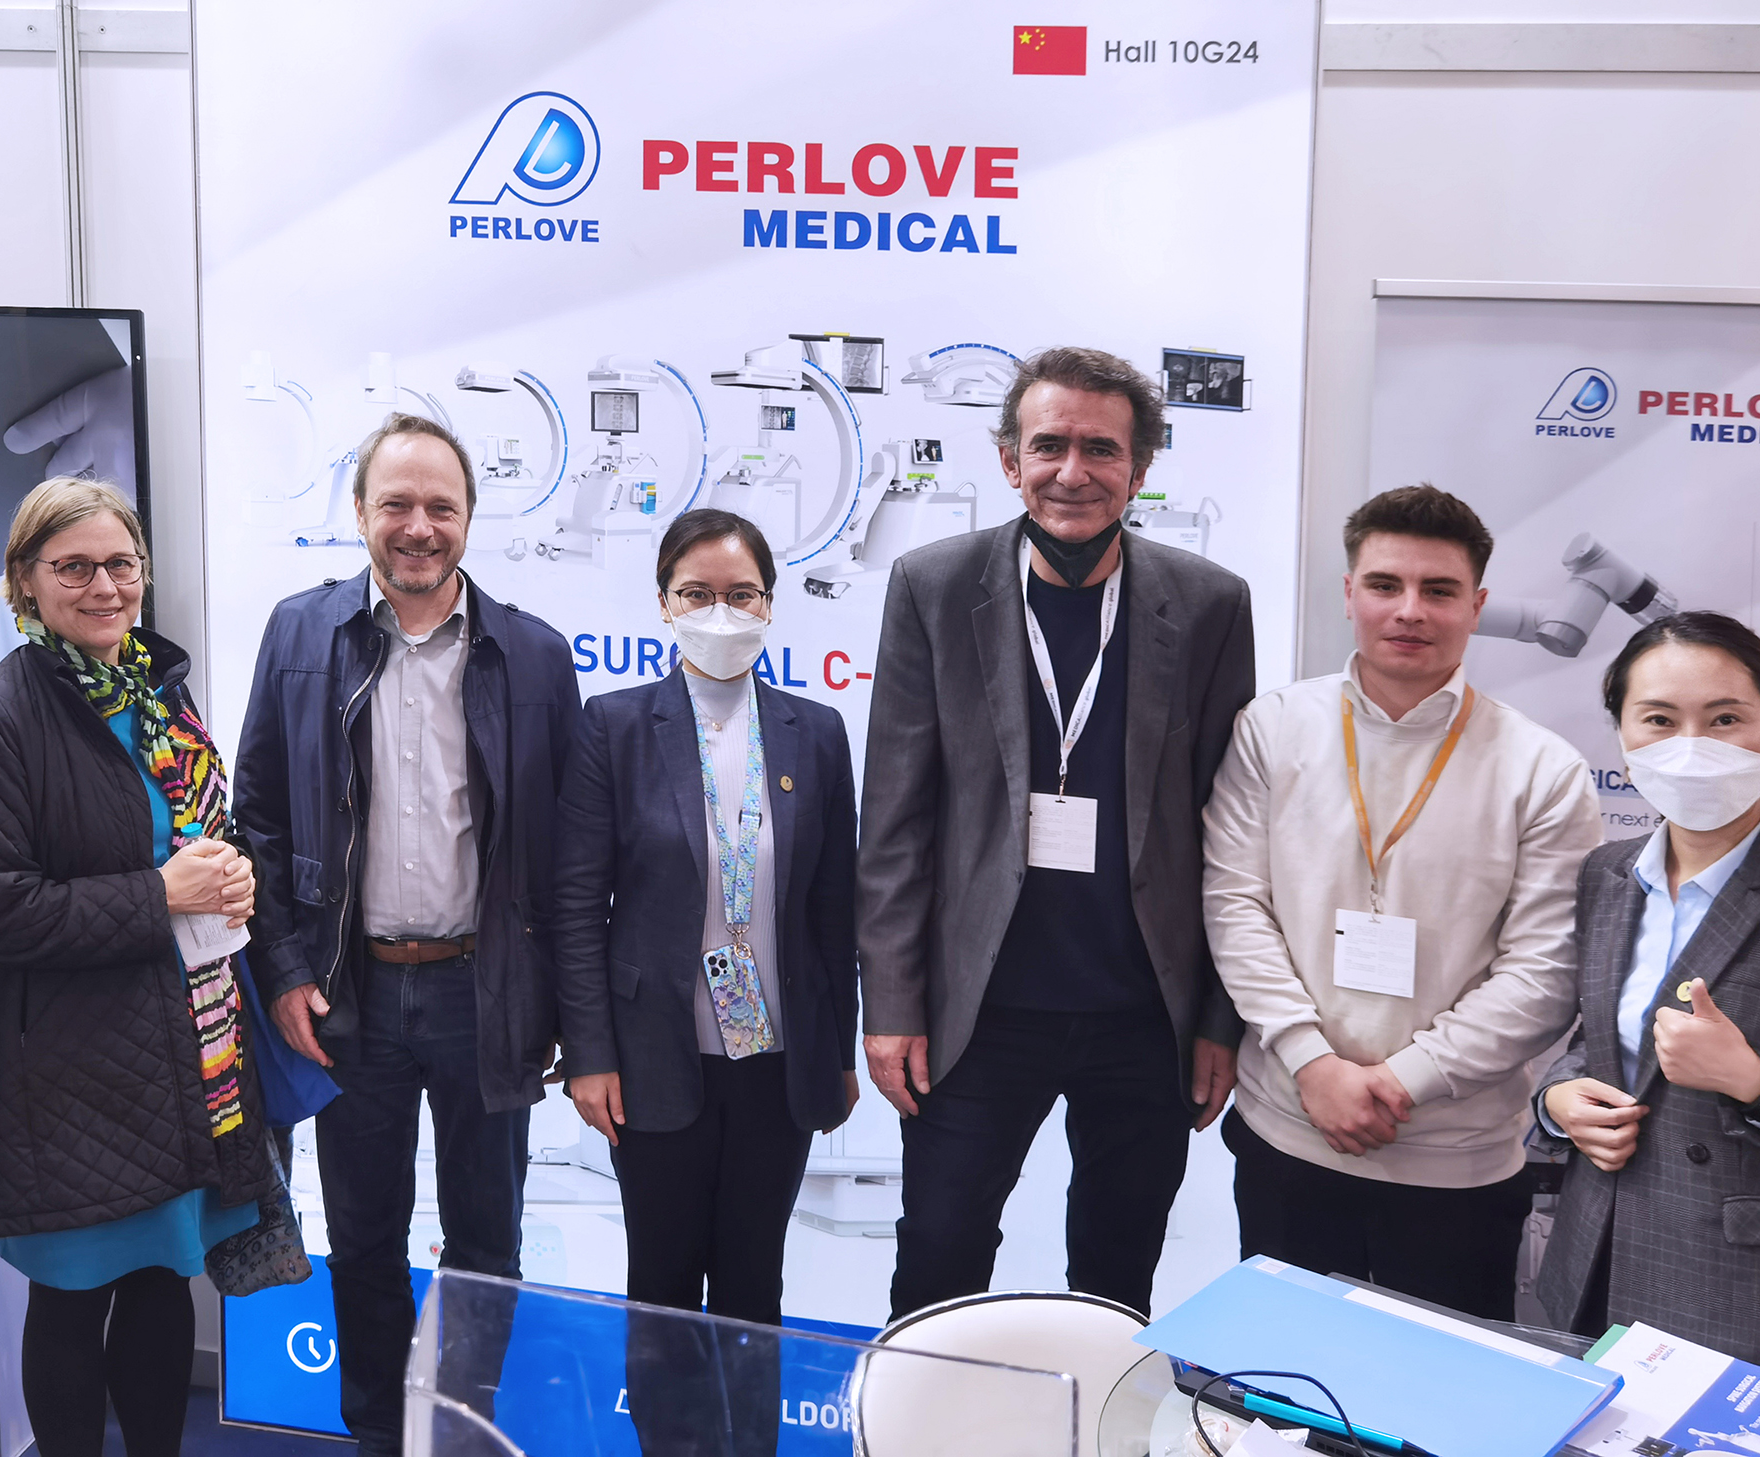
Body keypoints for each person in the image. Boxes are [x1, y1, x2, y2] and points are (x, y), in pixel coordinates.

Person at [859, 345, 1253, 1322]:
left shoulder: (1210, 604)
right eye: (1048, 445)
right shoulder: (933, 585)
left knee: (1117, 1273)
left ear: (1140, 467)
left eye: (1101, 449)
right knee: (939, 1254)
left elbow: (1231, 832)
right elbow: (896, 820)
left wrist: (1218, 1018)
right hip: (977, 1009)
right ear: (1009, 459)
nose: (1072, 471)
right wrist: (891, 1002)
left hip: (1143, 1016)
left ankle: (1100, 1408)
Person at [236, 412, 583, 1455]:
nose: (419, 526)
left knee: (486, 1248)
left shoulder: (534, 654)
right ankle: (381, 1438)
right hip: (351, 994)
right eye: (397, 503)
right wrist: (283, 970)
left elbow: (566, 850)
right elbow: (257, 816)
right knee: (363, 1241)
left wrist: (559, 1003)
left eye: (441, 505)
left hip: (487, 992)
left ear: (471, 517)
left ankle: (460, 1435)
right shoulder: (301, 633)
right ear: (360, 512)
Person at [1202, 484, 1601, 1320]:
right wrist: (1313, 1064)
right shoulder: (1274, 726)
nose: (1409, 610)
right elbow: (1235, 904)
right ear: (1350, 593)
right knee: (1280, 1380)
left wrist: (1400, 1080)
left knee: (1440, 1394)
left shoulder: (1543, 769)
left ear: (1477, 606)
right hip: (1288, 1132)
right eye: (1385, 585)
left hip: (1455, 1165)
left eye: (1439, 589)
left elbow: (1545, 974)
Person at [0, 477, 272, 1457]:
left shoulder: (158, 690)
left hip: (187, 1045)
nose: (103, 586)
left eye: (120, 564)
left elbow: (198, 830)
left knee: (165, 1281)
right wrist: (161, 892)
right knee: (73, 1299)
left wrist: (232, 872)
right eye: (74, 567)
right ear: (25, 581)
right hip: (68, 1070)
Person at [556, 509, 859, 1456]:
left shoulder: (816, 733)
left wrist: (838, 1052)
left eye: (741, 594)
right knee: (662, 1287)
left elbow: (834, 909)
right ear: (663, 603)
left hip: (776, 1061)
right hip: (653, 1057)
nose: (719, 612)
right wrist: (588, 1054)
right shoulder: (614, 726)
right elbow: (577, 904)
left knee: (753, 1287)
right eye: (697, 593)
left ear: (769, 605)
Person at [1536, 613, 1760, 1393]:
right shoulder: (1606, 874)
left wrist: (1756, 1081)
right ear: (1622, 735)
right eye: (1659, 720)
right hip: (1597, 1265)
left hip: (1759, 1302)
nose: (1691, 747)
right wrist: (1557, 1098)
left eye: (1725, 718)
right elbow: (1600, 1041)